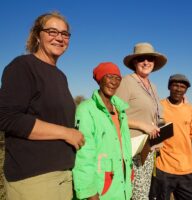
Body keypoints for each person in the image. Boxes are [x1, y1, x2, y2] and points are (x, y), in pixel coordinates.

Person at [0, 12, 85, 200]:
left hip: (63, 176)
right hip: (34, 179)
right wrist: (66, 133)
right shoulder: (23, 66)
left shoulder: (60, 76)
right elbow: (7, 117)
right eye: (52, 31)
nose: (59, 38)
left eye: (65, 34)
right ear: (38, 35)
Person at [72, 62, 133, 200]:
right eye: (109, 77)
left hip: (121, 186)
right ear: (100, 79)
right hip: (100, 189)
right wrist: (90, 193)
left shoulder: (121, 111)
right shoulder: (86, 110)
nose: (114, 82)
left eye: (118, 78)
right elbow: (83, 156)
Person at [115, 42, 167, 200]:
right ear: (134, 63)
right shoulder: (126, 82)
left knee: (142, 194)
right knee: (136, 195)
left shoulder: (153, 86)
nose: (146, 62)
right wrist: (141, 125)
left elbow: (155, 114)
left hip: (148, 149)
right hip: (133, 149)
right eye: (141, 59)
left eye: (149, 58)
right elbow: (115, 115)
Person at [149, 74, 192, 200]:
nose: (178, 89)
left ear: (186, 90)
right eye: (175, 85)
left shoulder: (190, 109)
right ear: (169, 87)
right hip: (163, 168)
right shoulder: (159, 107)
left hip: (187, 170)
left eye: (182, 87)